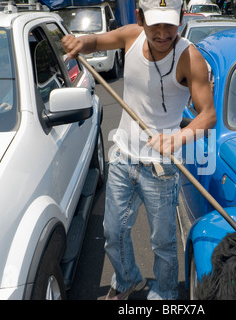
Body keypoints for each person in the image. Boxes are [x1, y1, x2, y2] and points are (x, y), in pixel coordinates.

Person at [62, 0, 216, 300]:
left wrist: (177, 138)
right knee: (113, 233)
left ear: (181, 18)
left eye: (169, 24)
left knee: (162, 242)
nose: (162, 33)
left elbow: (207, 114)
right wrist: (80, 41)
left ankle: (166, 292)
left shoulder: (190, 57)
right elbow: (95, 42)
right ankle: (127, 279)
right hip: (122, 157)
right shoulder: (131, 35)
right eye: (154, 23)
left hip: (161, 166)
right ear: (139, 17)